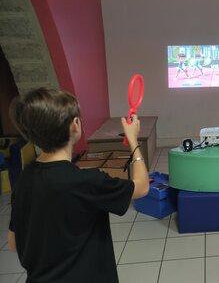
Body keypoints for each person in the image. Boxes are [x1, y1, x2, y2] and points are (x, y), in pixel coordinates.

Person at [7, 88, 150, 283]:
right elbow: (141, 186)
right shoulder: (87, 181)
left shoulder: (24, 179)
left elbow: (13, 243)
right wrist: (134, 140)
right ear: (75, 125)